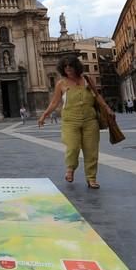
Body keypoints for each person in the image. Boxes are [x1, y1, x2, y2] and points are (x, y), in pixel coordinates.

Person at [38, 55, 113, 190]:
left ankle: (91, 178)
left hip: (90, 120)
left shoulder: (87, 80)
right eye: (65, 67)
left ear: (76, 66)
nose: (68, 69)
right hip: (70, 121)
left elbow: (97, 96)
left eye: (70, 66)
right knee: (72, 147)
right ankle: (70, 168)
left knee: (91, 151)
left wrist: (107, 108)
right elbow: (55, 102)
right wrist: (44, 115)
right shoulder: (61, 83)